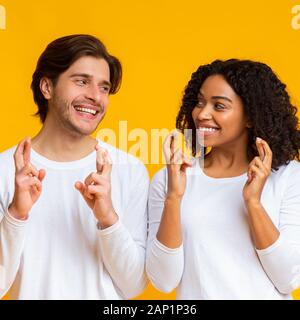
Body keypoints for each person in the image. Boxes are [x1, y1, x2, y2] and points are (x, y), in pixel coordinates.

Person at [0, 34, 149, 299]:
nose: (95, 96)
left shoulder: (129, 169)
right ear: (47, 87)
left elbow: (134, 285)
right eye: (82, 81)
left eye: (104, 87)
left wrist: (108, 219)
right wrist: (16, 215)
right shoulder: (5, 170)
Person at [146, 59, 300, 299]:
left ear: (250, 116)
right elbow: (164, 281)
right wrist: (173, 198)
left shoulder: (289, 177)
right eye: (199, 102)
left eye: (219, 106)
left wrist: (254, 204)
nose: (202, 114)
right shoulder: (171, 180)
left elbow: (288, 278)